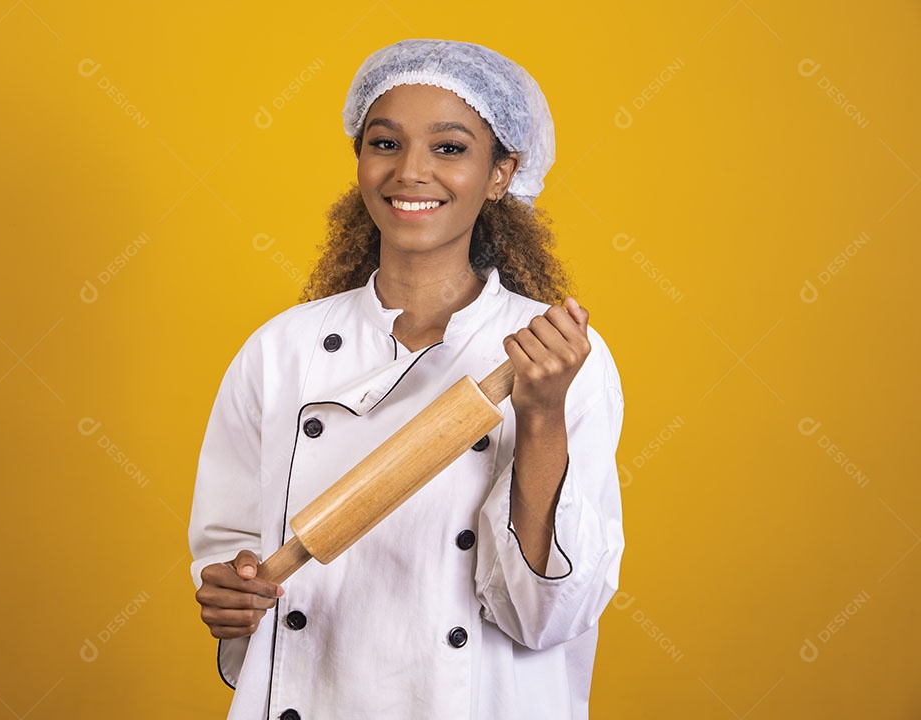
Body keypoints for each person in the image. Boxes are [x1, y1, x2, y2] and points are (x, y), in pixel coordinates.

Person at [189, 38, 625, 720]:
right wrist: (230, 591)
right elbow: (229, 551)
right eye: (385, 143)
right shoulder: (282, 350)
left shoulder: (557, 357)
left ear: (502, 172)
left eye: (449, 148)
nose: (410, 172)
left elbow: (547, 614)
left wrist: (542, 415)